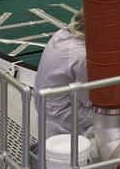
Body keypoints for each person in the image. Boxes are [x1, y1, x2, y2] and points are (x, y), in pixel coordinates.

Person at [34, 11, 93, 139]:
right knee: (110, 117)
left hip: (45, 106)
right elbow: (90, 99)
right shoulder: (80, 56)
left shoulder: (59, 35)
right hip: (60, 115)